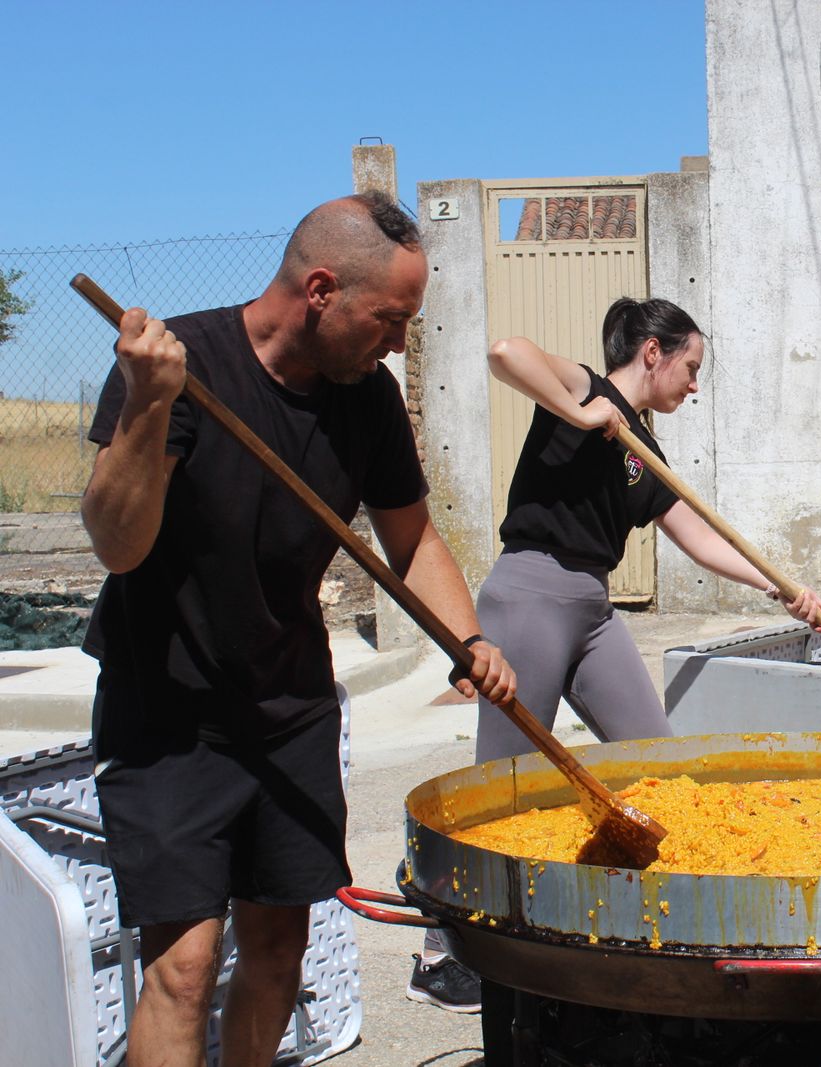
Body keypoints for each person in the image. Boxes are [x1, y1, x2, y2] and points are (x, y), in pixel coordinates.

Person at [80, 192, 516, 1067]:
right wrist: (146, 409)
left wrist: (468, 639)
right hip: (170, 710)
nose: (398, 343)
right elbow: (117, 545)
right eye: (389, 320)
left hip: (291, 708)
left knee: (278, 948)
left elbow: (412, 535)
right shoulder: (184, 365)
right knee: (185, 961)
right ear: (321, 289)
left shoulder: (367, 402)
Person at [408, 296, 821, 1012]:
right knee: (502, 788)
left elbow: (696, 532)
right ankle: (445, 949)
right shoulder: (586, 389)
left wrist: (777, 585)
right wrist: (582, 415)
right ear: (653, 352)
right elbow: (507, 349)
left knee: (654, 762)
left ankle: (630, 911)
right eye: (690, 368)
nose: (694, 385)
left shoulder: (648, 452)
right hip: (532, 590)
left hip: (593, 611)